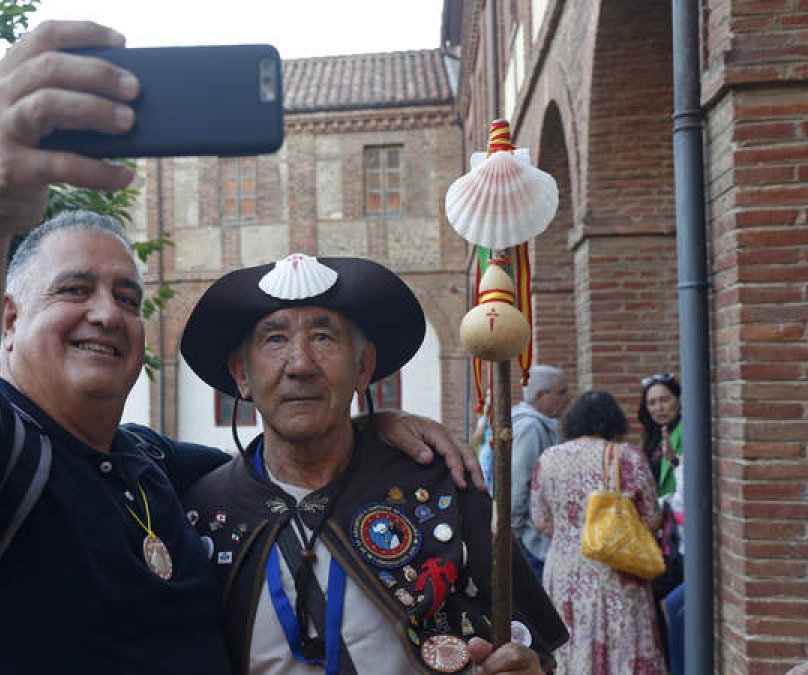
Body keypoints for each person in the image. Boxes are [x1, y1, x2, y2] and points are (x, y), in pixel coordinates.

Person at [0, 20, 482, 672]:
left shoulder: (146, 462)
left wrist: (368, 419)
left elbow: (281, 449)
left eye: (128, 297)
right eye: (76, 288)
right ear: (7, 320)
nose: (107, 313)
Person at [180, 253, 568, 674]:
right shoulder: (203, 509)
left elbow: (532, 655)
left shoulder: (443, 484)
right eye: (274, 340)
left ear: (363, 367)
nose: (300, 364)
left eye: (324, 337)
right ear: (242, 374)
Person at [531, 390, 665, 675]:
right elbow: (652, 519)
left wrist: (571, 534)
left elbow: (540, 520)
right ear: (612, 421)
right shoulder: (626, 457)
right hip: (615, 569)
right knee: (621, 646)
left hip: (563, 571)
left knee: (569, 645)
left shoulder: (548, 459)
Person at [639, 372, 686, 672]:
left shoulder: (683, 431)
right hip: (661, 532)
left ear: (679, 400)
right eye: (652, 402)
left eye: (665, 400)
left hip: (679, 533)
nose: (659, 408)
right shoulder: (655, 436)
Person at [510, 364, 570, 580]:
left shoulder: (540, 424)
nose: (568, 398)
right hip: (529, 539)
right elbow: (518, 481)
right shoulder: (530, 428)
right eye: (562, 392)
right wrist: (514, 532)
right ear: (541, 395)